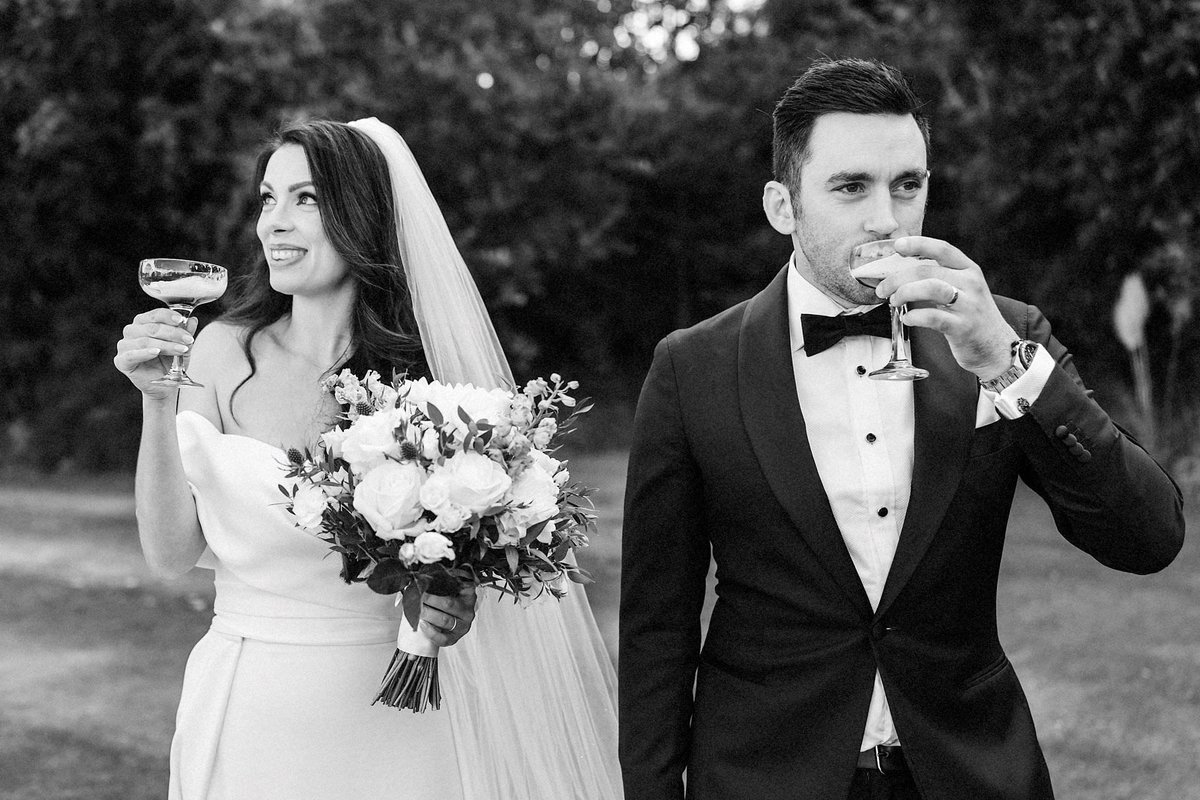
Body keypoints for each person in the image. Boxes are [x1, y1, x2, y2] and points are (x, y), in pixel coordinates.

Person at [618, 58, 1184, 800]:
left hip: (970, 770)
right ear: (782, 205)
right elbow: (657, 632)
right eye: (851, 187)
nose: (886, 217)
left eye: (907, 185)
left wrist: (1007, 370)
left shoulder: (1005, 334)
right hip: (765, 775)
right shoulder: (691, 369)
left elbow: (1148, 538)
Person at [115, 118, 621, 799]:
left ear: (362, 216)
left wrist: (455, 600)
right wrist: (154, 402)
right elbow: (171, 551)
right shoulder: (218, 351)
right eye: (268, 199)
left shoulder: (428, 390)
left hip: (395, 721)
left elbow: (467, 563)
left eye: (307, 200)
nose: (275, 224)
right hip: (249, 711)